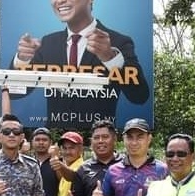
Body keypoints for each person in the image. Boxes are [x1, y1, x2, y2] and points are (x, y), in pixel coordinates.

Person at [10, 0, 149, 128]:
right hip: (55, 136)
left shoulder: (118, 42)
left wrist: (110, 58)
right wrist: (22, 59)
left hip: (98, 135)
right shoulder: (47, 43)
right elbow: (14, 92)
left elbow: (139, 96)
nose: (59, 1)